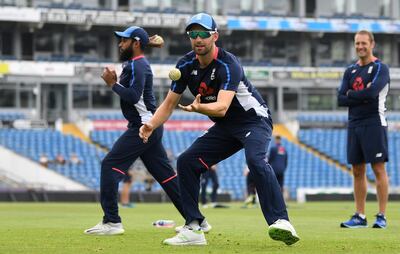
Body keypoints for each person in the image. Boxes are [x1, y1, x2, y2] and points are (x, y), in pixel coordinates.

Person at [139, 13, 299, 246]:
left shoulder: (228, 63)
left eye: (203, 33)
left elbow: (222, 107)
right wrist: (151, 125)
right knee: (187, 161)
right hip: (225, 127)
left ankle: (281, 221)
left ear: (215, 36)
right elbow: (169, 104)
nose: (198, 39)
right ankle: (194, 227)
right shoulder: (184, 64)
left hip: (253, 120)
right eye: (193, 34)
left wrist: (199, 107)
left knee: (255, 160)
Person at [84, 26, 186, 235]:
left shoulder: (139, 66)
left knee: (110, 165)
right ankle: (196, 219)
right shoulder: (135, 61)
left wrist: (112, 84)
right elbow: (138, 48)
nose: (120, 44)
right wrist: (145, 40)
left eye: (124, 40)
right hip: (149, 125)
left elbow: (132, 96)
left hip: (144, 126)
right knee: (166, 176)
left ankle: (112, 222)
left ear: (135, 43)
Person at [337, 30, 390, 229]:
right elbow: (340, 98)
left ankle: (382, 215)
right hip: (354, 123)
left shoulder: (380, 68)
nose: (360, 47)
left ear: (372, 44)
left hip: (374, 122)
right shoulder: (350, 71)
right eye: (357, 43)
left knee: (378, 168)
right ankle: (360, 215)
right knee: (357, 170)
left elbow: (373, 92)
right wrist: (361, 95)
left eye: (363, 43)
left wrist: (353, 94)